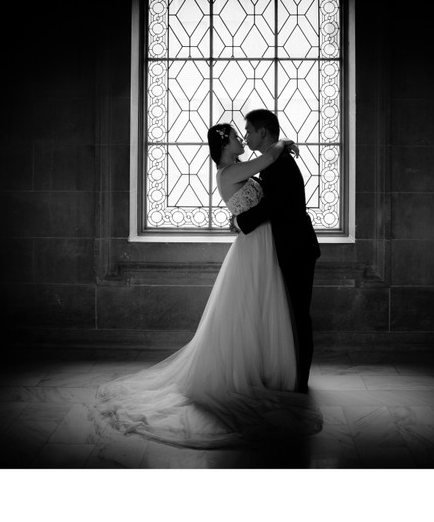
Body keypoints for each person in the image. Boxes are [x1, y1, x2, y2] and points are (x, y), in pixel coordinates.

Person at [93, 122, 322, 449]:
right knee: (248, 311)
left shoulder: (235, 169)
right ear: (224, 144)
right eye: (236, 136)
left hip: (263, 246)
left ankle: (265, 371)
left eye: (244, 134)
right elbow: (270, 157)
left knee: (262, 311)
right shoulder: (229, 172)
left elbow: (262, 196)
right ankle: (249, 375)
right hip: (253, 250)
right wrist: (284, 142)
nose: (242, 139)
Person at [233, 109, 321, 394]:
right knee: (291, 313)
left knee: (297, 314)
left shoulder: (278, 163)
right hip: (293, 244)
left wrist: (241, 221)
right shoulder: (275, 159)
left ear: (262, 132)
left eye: (248, 130)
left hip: (296, 247)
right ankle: (293, 375)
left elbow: (275, 205)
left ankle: (300, 381)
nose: (245, 137)